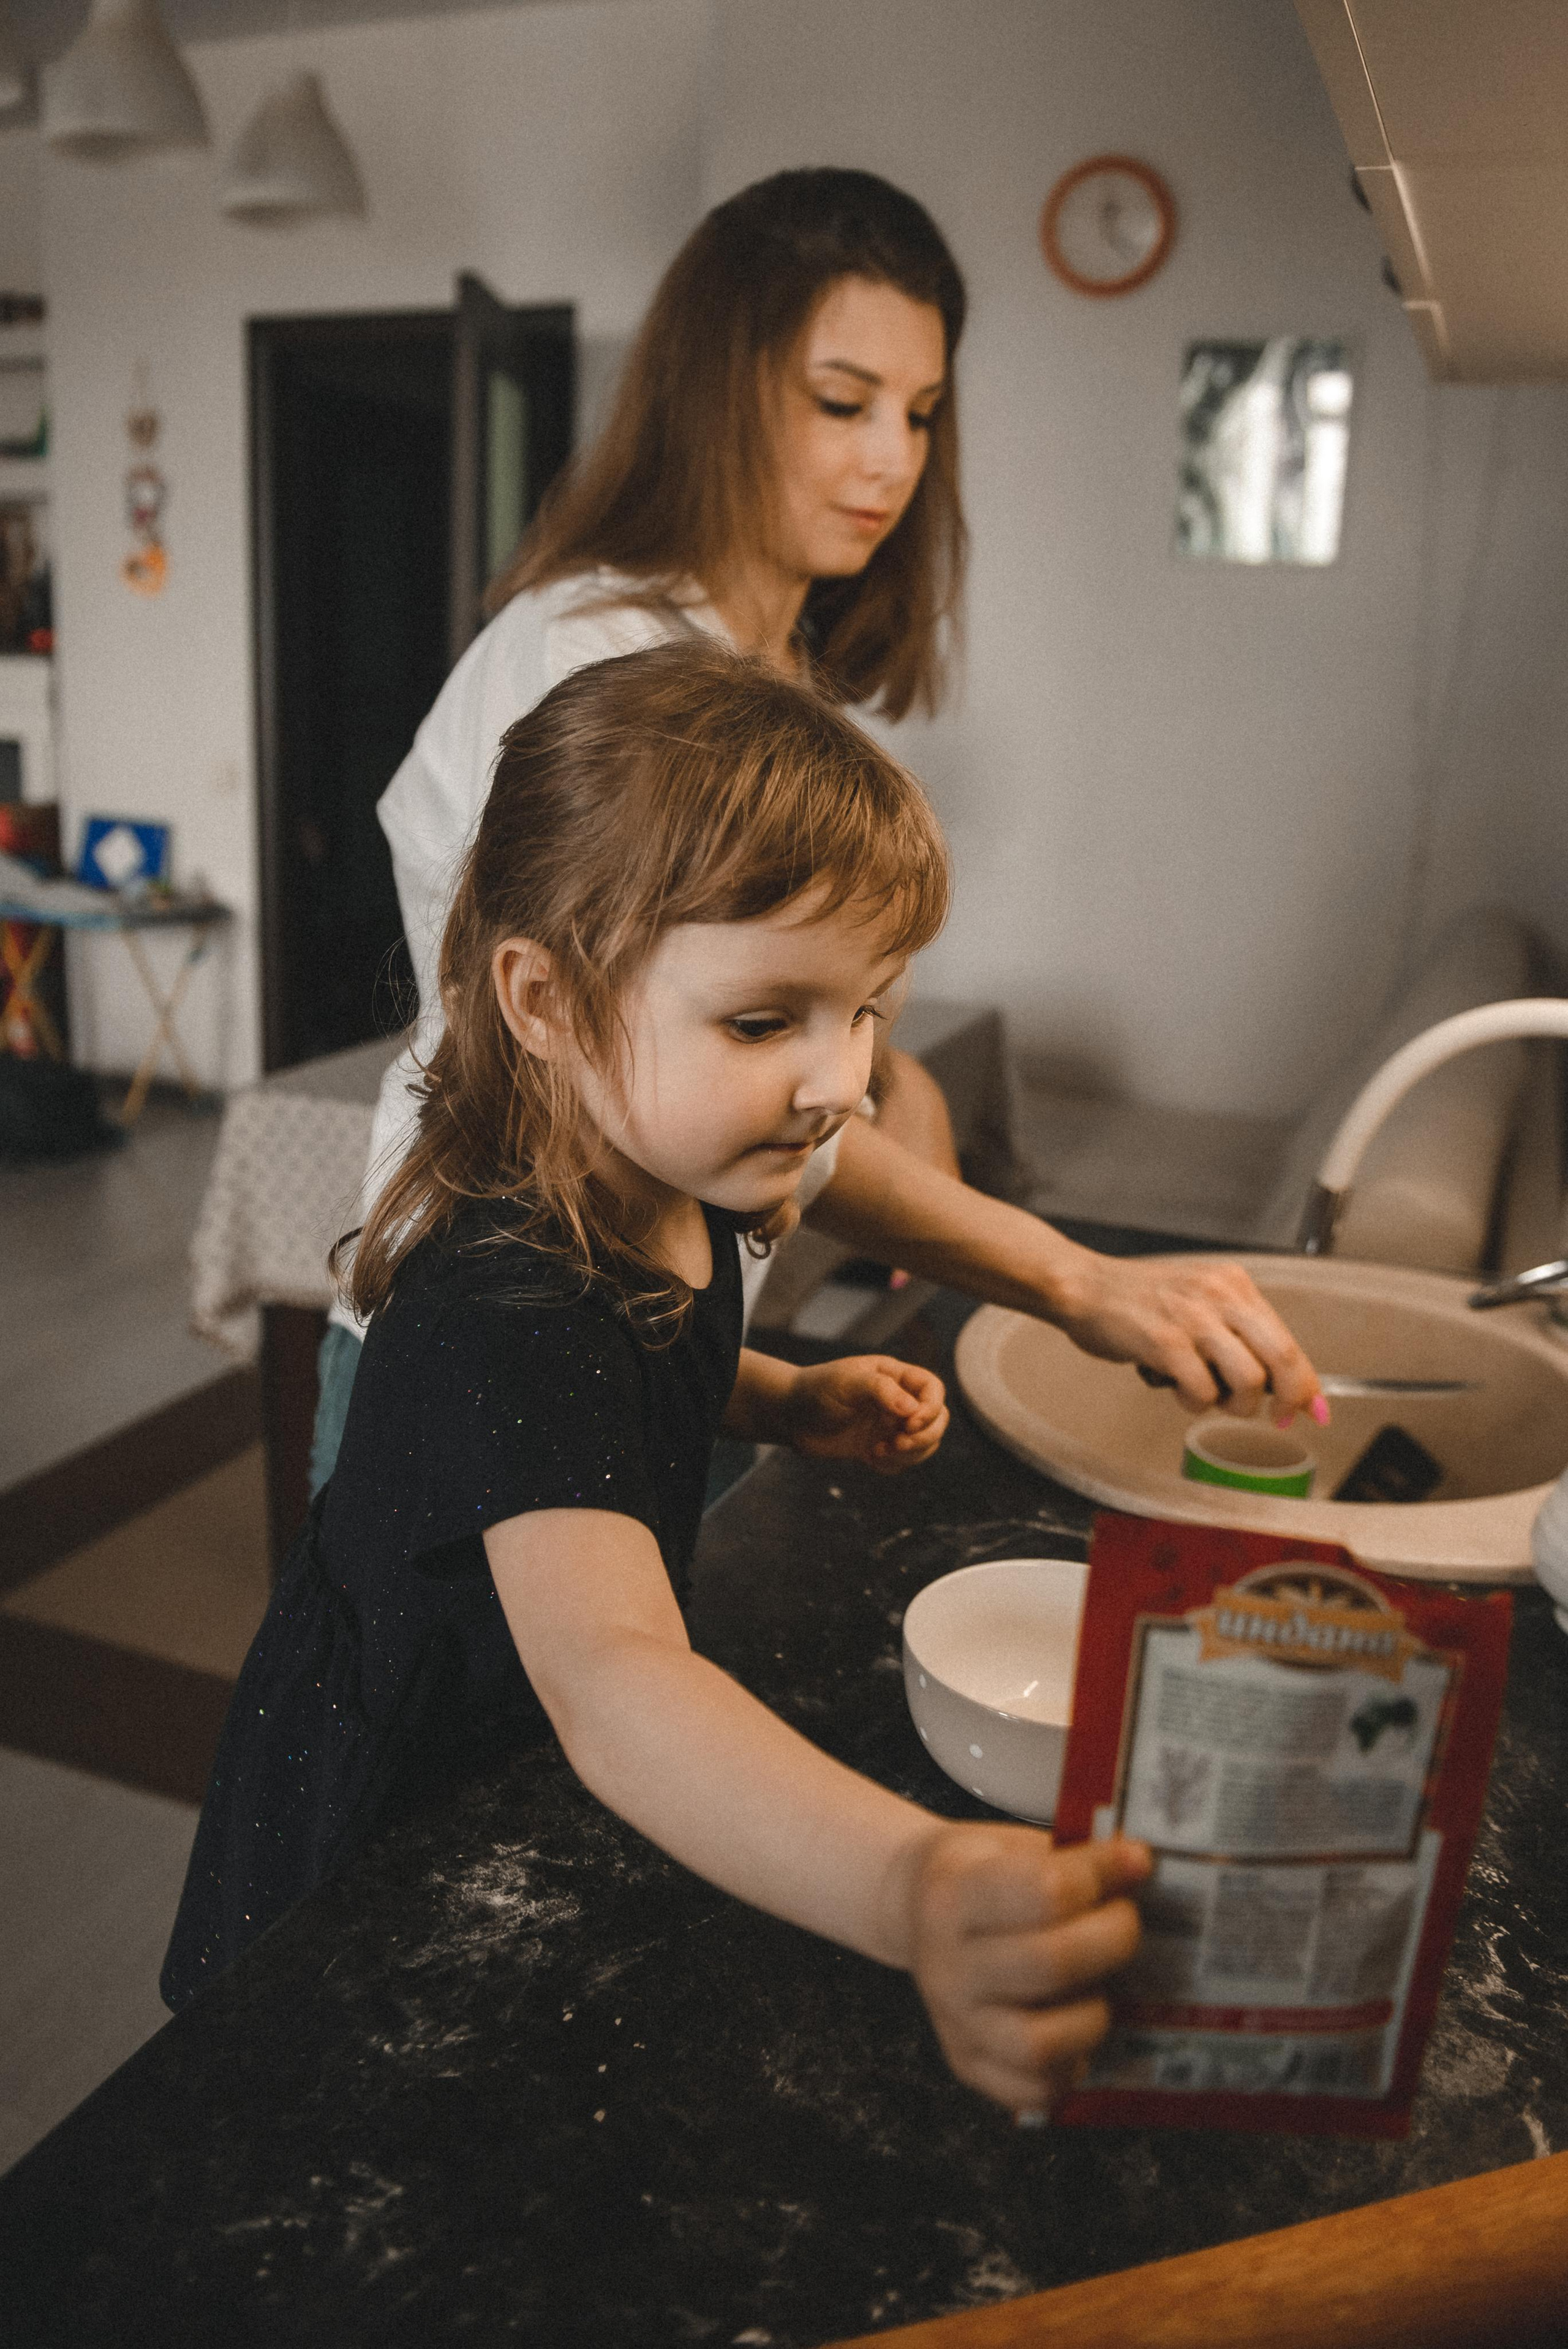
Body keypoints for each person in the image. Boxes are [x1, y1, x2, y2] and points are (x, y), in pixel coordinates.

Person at [164, 643, 1152, 2120]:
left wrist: (769, 1395)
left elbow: (626, 1378)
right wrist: (909, 1882)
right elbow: (615, 1678)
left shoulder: (662, 1179)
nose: (841, 1082)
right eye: (765, 1021)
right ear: (545, 1000)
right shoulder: (514, 1290)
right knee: (326, 2106)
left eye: (868, 1010)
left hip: (509, 1756)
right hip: (390, 1796)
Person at [312, 164, 1322, 1494]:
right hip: (497, 1355)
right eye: (841, 404)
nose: (891, 459)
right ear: (716, 394)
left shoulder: (760, 660)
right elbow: (637, 1072)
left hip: (658, 1334)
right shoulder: (597, 663)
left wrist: (889, 1077)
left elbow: (761, 1007)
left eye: (919, 412)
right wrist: (1072, 1281)